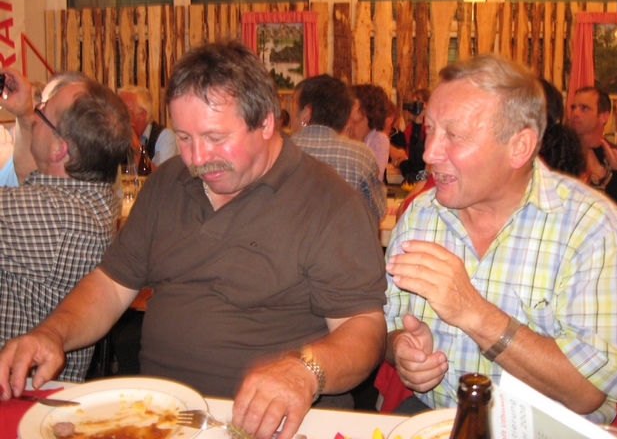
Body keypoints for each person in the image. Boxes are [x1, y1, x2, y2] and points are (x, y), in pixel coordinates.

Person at [0, 42, 386, 439]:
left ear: (266, 122)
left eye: (215, 137)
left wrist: (306, 370)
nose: (198, 158)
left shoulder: (330, 201)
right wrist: (53, 333)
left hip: (277, 425)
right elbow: (110, 286)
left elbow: (364, 329)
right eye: (184, 137)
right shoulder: (166, 183)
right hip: (157, 418)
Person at [384, 54, 617, 424]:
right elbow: (388, 322)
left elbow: (588, 392)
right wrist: (401, 349)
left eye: (454, 136)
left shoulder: (593, 227)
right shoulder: (421, 214)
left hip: (546, 428)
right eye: (431, 130)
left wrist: (473, 311)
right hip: (436, 418)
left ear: (519, 147)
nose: (429, 153)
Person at [0, 69, 131, 382]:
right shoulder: (94, 200)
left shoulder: (47, 217)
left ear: (59, 148)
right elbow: (32, 173)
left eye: (42, 111)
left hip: (17, 395)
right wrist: (25, 114)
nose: (37, 113)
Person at [290, 74, 386, 221]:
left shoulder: (279, 151)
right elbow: (378, 211)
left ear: (306, 113)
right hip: (345, 234)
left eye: (293, 106)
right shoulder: (361, 155)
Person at [569, 86, 617, 188]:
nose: (575, 113)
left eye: (584, 108)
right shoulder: (561, 154)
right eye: (573, 108)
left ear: (604, 116)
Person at [119, 85, 179, 167]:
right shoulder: (116, 138)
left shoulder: (165, 137)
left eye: (123, 111)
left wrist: (134, 141)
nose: (117, 115)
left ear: (142, 114)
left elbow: (161, 174)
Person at [347, 84, 390, 181]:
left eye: (352, 103)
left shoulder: (379, 140)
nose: (346, 106)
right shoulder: (341, 133)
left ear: (367, 109)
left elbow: (376, 179)